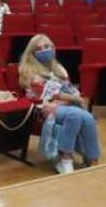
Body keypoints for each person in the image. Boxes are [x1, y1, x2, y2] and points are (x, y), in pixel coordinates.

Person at [18, 34, 100, 174]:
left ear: (53, 48)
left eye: (46, 46)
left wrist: (71, 99)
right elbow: (49, 95)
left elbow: (69, 89)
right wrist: (76, 99)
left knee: (87, 117)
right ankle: (65, 159)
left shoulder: (59, 68)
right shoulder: (28, 70)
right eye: (39, 49)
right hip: (40, 108)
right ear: (32, 53)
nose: (44, 50)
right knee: (74, 114)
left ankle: (92, 158)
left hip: (62, 104)